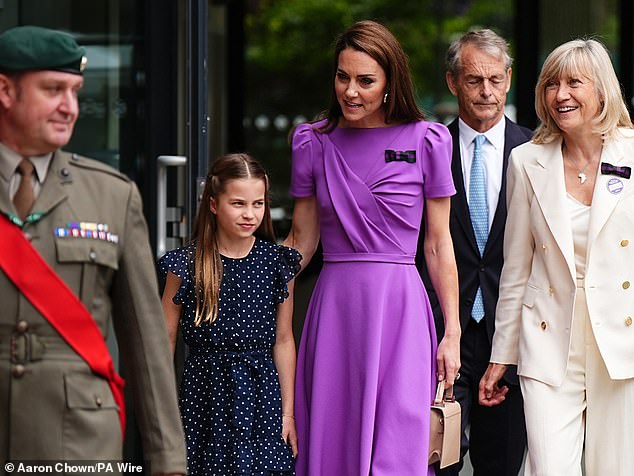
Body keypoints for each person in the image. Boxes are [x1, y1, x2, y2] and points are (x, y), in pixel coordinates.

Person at [0, 26, 186, 475]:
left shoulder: (112, 195)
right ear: (5, 90)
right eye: (53, 90)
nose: (71, 107)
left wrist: (168, 461)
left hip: (77, 442)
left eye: (75, 91)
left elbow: (146, 344)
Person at [285, 20, 461, 476]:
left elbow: (438, 244)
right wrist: (244, 275)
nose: (351, 91)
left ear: (389, 83)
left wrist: (453, 332)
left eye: (366, 80)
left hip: (401, 310)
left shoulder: (428, 141)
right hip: (336, 311)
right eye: (343, 77)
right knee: (333, 440)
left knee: (398, 445)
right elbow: (301, 241)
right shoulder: (313, 142)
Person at [479, 38, 634, 475]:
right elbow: (516, 268)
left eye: (573, 83)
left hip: (621, 341)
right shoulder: (526, 161)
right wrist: (500, 356)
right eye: (551, 85)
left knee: (616, 468)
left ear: (601, 90)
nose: (560, 95)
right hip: (547, 337)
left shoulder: (632, 152)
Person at [416, 29, 530, 475]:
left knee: (500, 464)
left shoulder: (538, 152)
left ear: (508, 79)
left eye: (495, 80)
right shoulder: (429, 150)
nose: (486, 92)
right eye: (473, 80)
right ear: (451, 82)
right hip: (442, 335)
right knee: (434, 462)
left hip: (514, 338)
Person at [159, 153, 301, 475]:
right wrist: (163, 411)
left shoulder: (278, 263)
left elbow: (283, 339)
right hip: (203, 396)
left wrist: (288, 413)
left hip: (261, 397)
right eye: (238, 203)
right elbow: (163, 339)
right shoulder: (185, 265)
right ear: (213, 204)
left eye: (258, 203)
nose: (250, 214)